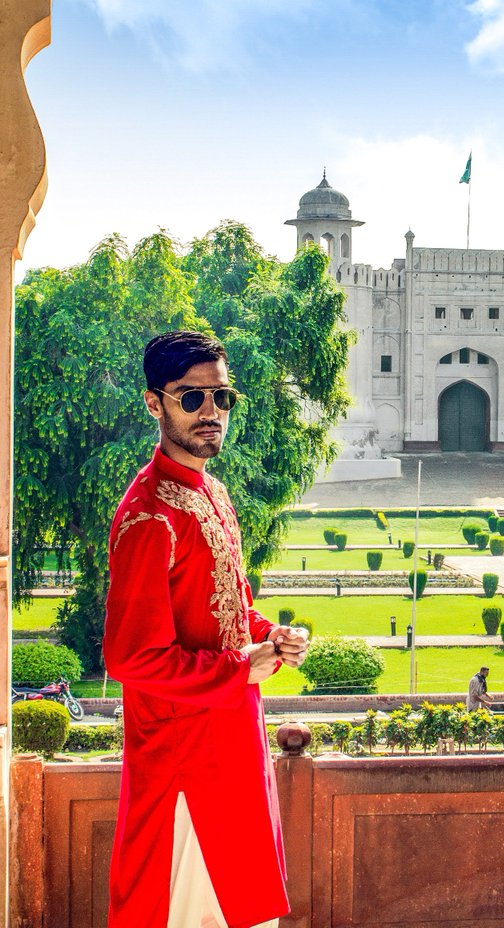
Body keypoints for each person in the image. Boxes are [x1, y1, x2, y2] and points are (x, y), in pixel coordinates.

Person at [104, 331, 309, 928]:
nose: (211, 412)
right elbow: (129, 658)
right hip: (183, 764)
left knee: (242, 909)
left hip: (233, 746)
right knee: (188, 911)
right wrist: (240, 667)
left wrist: (271, 635)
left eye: (222, 398)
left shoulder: (211, 494)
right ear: (154, 403)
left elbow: (228, 609)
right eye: (191, 399)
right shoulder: (148, 515)